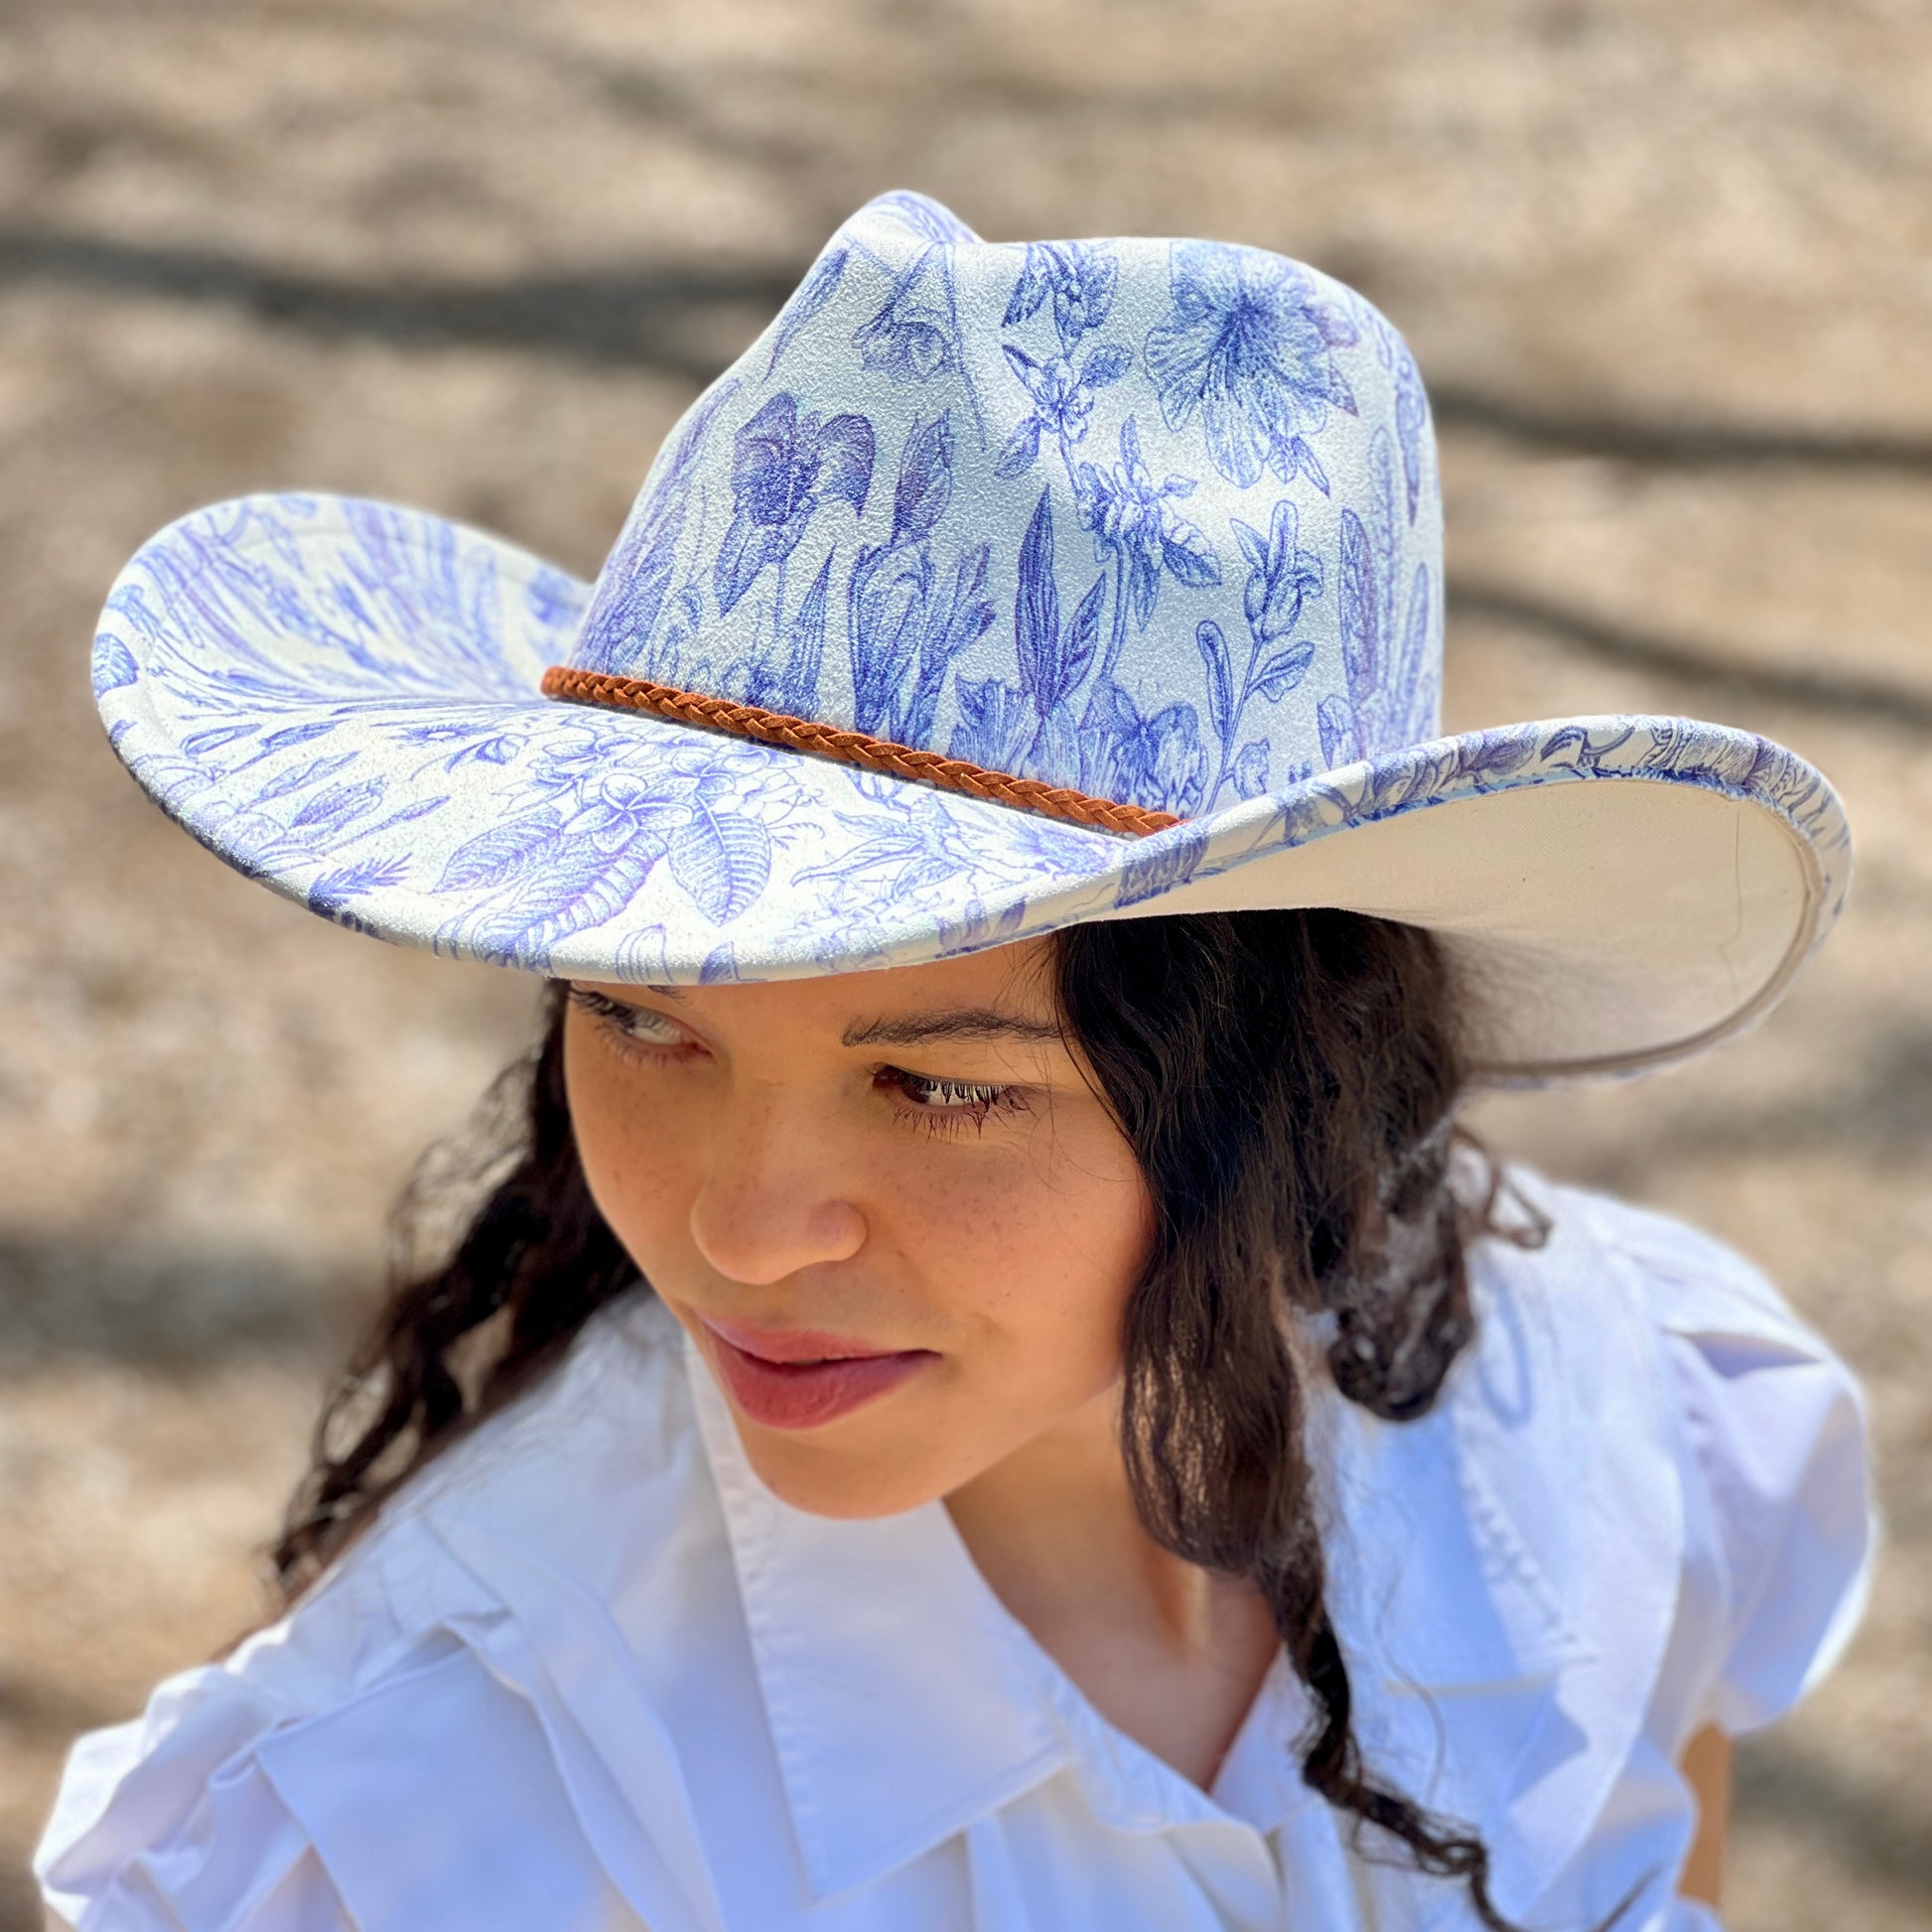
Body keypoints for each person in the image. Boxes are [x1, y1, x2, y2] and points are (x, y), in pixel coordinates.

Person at [37, 193, 1872, 1932]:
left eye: (937, 1085)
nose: (744, 1233)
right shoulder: (436, 1814)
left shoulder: (1606, 1428)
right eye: (641, 1017)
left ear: (1284, 1085)